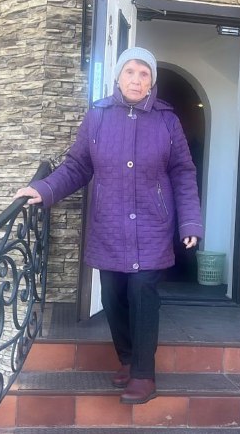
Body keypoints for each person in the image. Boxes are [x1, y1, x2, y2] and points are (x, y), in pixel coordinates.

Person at [14, 47, 203, 404]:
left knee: (142, 293)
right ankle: (128, 360)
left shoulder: (167, 121)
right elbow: (77, 166)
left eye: (144, 74)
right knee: (112, 295)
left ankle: (144, 375)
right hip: (109, 224)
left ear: (151, 82)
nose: (136, 79)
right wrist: (44, 189)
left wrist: (190, 221)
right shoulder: (98, 116)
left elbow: (183, 173)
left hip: (152, 224)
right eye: (130, 71)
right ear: (118, 77)